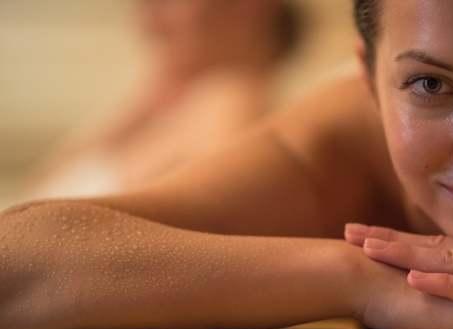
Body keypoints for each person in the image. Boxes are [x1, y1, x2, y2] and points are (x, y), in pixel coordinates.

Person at [2, 0, 453, 329]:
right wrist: (352, 279)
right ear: (368, 75)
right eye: (430, 84)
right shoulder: (335, 140)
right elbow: (21, 258)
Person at [26, 0, 299, 198]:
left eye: (166, 1)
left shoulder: (231, 105)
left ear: (250, 6)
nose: (149, 17)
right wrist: (139, 108)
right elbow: (37, 194)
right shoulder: (186, 107)